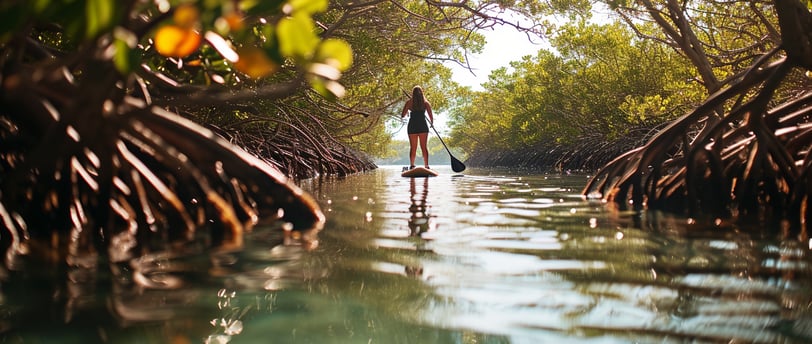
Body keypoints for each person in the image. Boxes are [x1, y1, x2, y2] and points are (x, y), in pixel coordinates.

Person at [400, 86, 434, 169]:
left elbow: (402, 115)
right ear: (422, 93)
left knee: (413, 147)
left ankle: (412, 165)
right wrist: (431, 124)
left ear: (413, 93)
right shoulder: (426, 103)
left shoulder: (409, 102)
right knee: (424, 147)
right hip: (423, 125)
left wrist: (408, 111)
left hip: (412, 126)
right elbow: (431, 116)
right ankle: (426, 165)